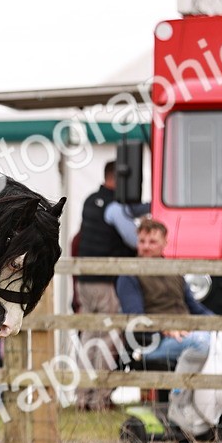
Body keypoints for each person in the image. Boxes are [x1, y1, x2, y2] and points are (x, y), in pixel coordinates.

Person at [75, 160, 148, 411]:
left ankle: (82, 397)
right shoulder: (115, 206)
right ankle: (99, 399)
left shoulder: (90, 200)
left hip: (84, 281)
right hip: (105, 282)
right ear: (119, 179)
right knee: (108, 338)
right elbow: (134, 240)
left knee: (89, 337)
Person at [116, 218, 215, 366]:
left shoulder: (174, 271)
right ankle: (182, 383)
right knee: (200, 343)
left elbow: (196, 308)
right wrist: (165, 328)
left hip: (186, 333)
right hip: (152, 343)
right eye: (142, 241)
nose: (146, 247)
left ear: (165, 243)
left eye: (152, 242)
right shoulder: (129, 276)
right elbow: (136, 319)